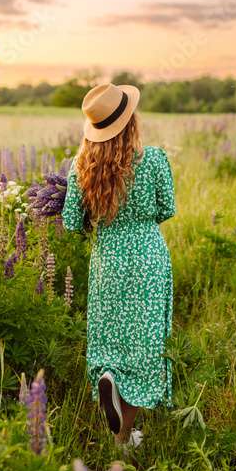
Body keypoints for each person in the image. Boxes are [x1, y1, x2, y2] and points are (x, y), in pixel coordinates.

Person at [61, 81, 176, 448]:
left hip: (107, 258)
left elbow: (71, 222)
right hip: (146, 257)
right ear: (132, 121)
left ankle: (109, 376)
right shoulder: (153, 159)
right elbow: (167, 208)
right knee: (143, 345)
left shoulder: (81, 167)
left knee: (110, 338)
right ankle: (124, 438)